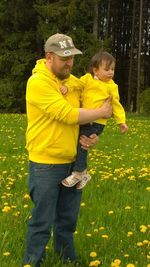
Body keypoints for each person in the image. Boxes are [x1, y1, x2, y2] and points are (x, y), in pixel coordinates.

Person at [22, 33, 112, 267]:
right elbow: (67, 115)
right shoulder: (38, 82)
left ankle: (67, 261)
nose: (69, 63)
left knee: (67, 220)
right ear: (49, 57)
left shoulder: (72, 82)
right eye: (64, 58)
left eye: (72, 57)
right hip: (45, 164)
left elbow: (89, 107)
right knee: (42, 222)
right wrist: (102, 112)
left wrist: (92, 137)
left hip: (74, 163)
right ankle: (32, 262)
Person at [61, 51, 128, 189]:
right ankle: (83, 172)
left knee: (82, 143)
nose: (110, 72)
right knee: (78, 142)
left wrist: (121, 121)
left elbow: (116, 104)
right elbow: (77, 84)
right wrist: (67, 87)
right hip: (84, 118)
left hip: (97, 123)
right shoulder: (87, 79)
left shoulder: (112, 86)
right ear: (95, 70)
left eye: (113, 69)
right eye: (107, 69)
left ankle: (79, 172)